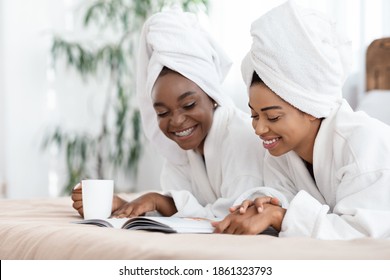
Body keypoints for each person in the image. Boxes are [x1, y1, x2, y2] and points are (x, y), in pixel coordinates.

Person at [213, 0, 390, 239]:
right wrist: (264, 205)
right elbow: (284, 199)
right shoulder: (281, 152)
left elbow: (362, 234)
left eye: (273, 116)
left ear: (310, 108)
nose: (259, 128)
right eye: (254, 115)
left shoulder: (365, 144)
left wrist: (281, 216)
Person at [72, 8, 266, 219]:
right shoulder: (181, 151)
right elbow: (182, 211)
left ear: (212, 95)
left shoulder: (239, 137)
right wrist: (125, 205)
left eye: (189, 104)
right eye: (162, 112)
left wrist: (159, 200)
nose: (177, 121)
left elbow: (236, 214)